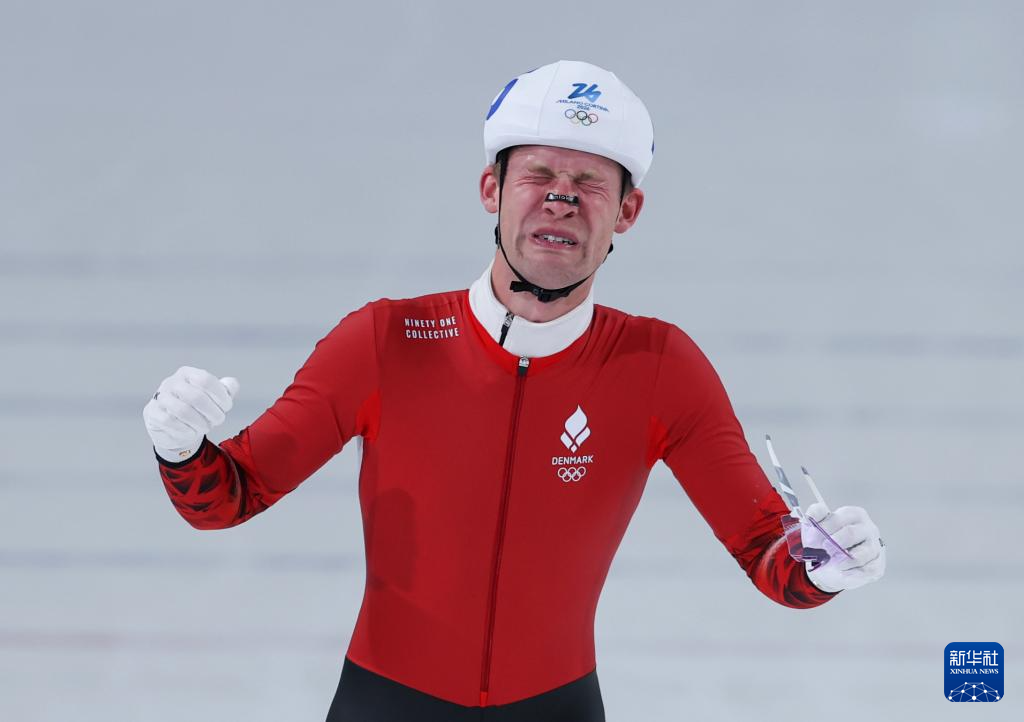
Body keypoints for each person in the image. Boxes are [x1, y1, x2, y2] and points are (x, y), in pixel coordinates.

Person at [142, 60, 886, 722]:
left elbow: (770, 558)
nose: (561, 200)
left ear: (627, 212)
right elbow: (228, 497)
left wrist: (825, 565)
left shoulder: (660, 367)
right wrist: (179, 446)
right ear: (491, 190)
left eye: (590, 183)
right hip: (386, 702)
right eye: (539, 176)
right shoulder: (385, 341)